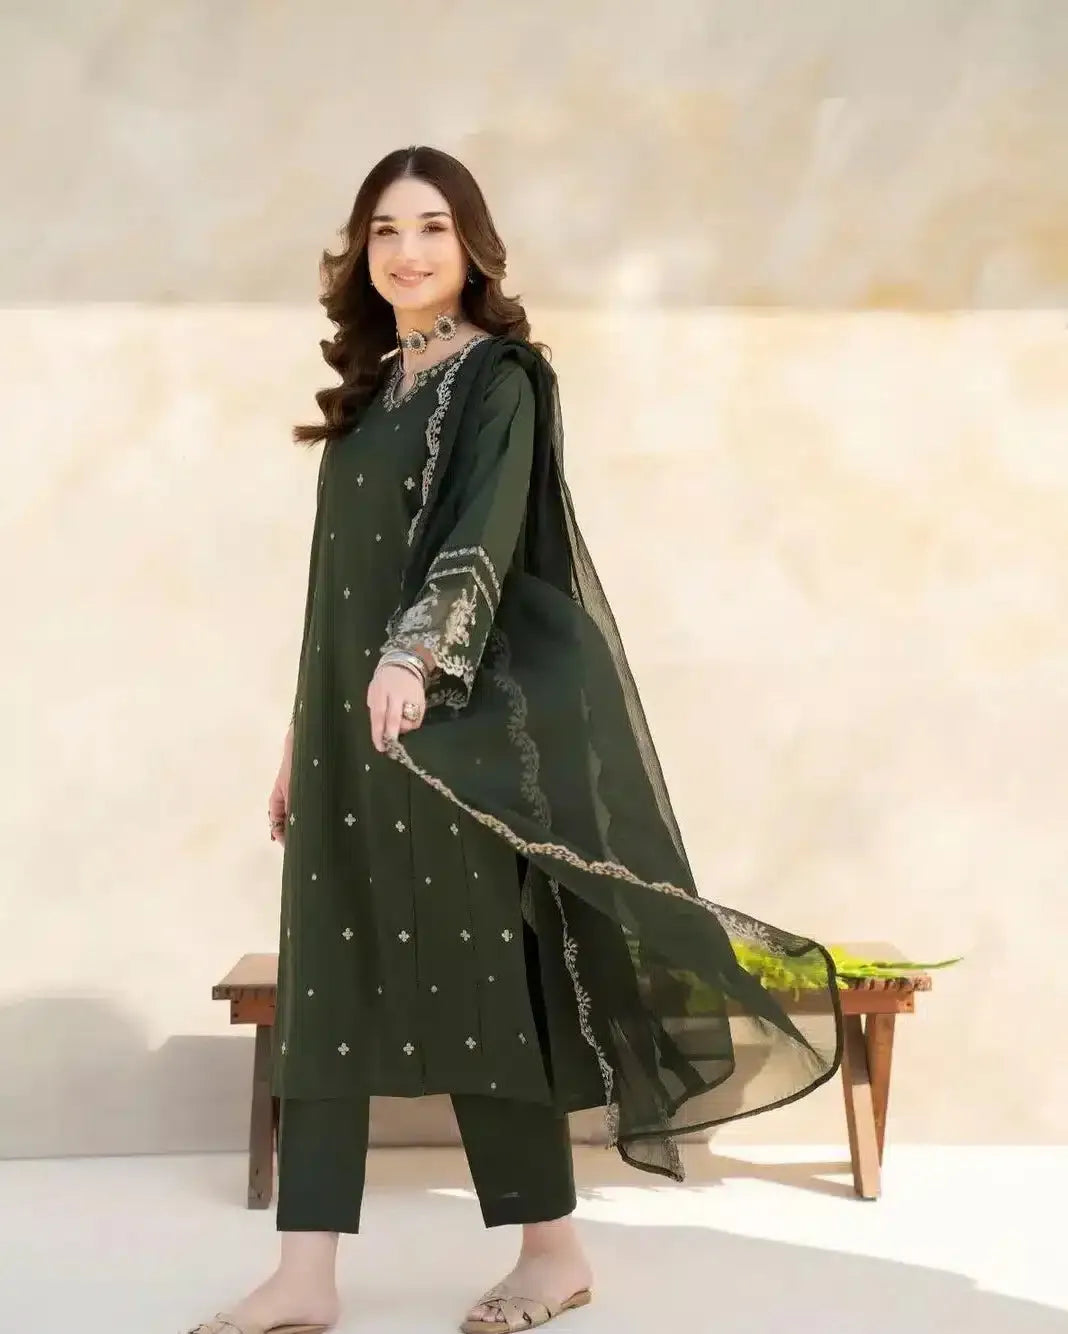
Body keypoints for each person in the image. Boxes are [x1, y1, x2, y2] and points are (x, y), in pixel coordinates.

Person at [187, 146, 844, 1334]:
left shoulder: (501, 379)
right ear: (360, 253)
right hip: (352, 731)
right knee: (328, 981)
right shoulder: (373, 394)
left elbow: (482, 537)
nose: (407, 252)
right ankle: (306, 1274)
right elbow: (333, 587)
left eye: (432, 227)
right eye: (384, 231)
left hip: (443, 726)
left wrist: (413, 658)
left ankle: (552, 1251)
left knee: (481, 978)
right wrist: (302, 732)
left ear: (474, 245)